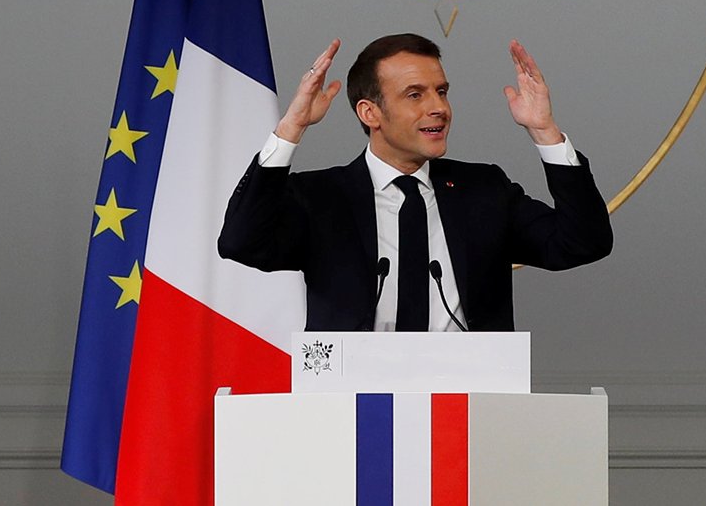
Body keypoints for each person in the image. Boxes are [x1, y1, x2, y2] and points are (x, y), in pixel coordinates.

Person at [218, 33, 613, 332]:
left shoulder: (484, 190)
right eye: (415, 95)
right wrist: (291, 129)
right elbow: (241, 242)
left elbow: (583, 242)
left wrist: (544, 131)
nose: (438, 107)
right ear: (370, 113)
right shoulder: (321, 197)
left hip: (468, 401)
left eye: (441, 92)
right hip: (354, 404)